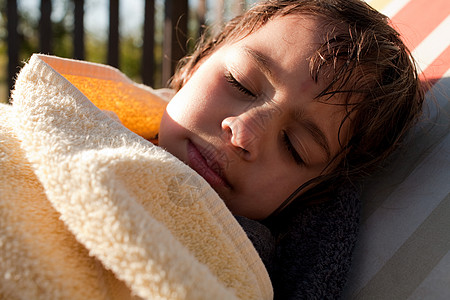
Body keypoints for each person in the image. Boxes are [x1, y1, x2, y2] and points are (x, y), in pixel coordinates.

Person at [157, 0, 424, 297]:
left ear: (316, 192)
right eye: (240, 82)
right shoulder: (100, 113)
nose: (244, 134)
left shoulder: (235, 274)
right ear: (201, 60)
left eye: (294, 146)